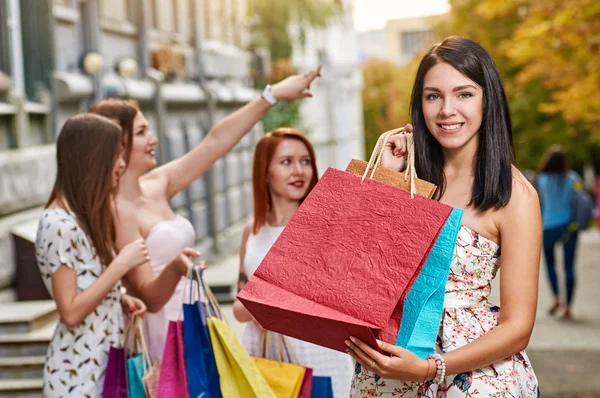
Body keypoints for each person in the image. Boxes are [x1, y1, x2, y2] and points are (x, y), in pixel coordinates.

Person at [346, 37, 541, 396]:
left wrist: (430, 369)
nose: (446, 109)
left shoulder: (515, 194)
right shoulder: (406, 174)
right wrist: (388, 176)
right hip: (388, 366)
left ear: (488, 100)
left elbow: (518, 326)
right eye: (433, 96)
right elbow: (358, 273)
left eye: (464, 94)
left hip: (472, 376)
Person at [88, 66, 321, 360]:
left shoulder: (157, 184)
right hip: (165, 336)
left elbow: (215, 142)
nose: (154, 138)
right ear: (117, 143)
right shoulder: (118, 212)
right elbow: (150, 297)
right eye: (142, 132)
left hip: (198, 320)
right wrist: (175, 267)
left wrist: (271, 95)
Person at [233, 128, 354, 398]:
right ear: (265, 171)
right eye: (286, 162)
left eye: (305, 161)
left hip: (318, 352)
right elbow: (239, 308)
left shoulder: (325, 226)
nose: (298, 170)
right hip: (265, 354)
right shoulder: (251, 232)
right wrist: (262, 307)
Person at [35, 114, 148, 397]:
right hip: (77, 379)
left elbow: (84, 284)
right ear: (92, 160)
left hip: (103, 369)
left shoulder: (81, 219)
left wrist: (118, 298)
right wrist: (120, 265)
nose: (122, 164)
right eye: (115, 156)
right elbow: (70, 311)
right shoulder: (57, 224)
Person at [536, 145, 582, 319]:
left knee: (550, 265)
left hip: (548, 227)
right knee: (569, 266)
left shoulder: (542, 179)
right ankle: (569, 307)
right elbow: (579, 200)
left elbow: (539, 204)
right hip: (569, 227)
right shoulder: (573, 178)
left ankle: (556, 296)